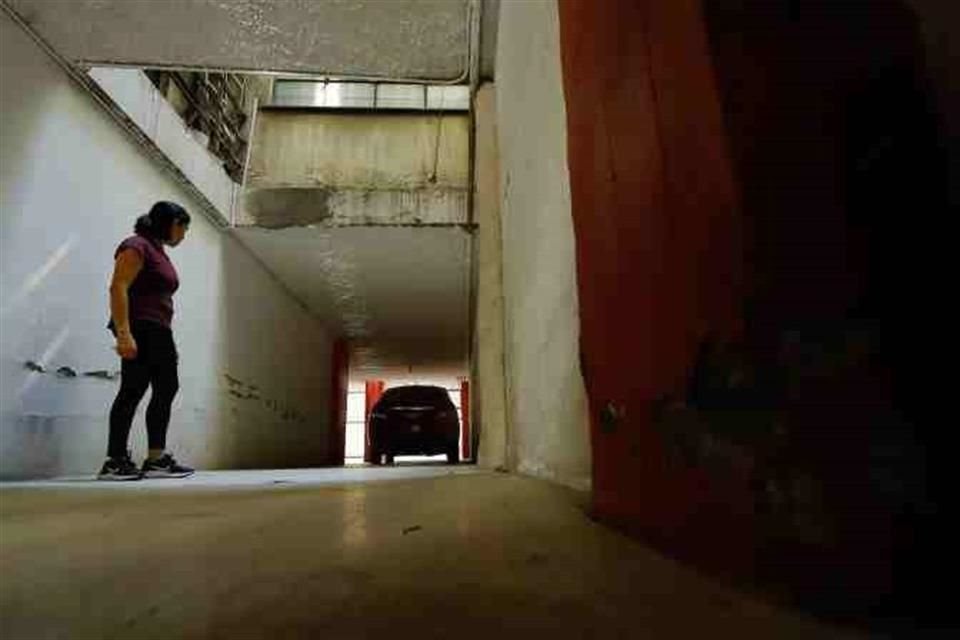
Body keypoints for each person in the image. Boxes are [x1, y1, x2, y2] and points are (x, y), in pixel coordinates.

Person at [98, 201, 195, 480]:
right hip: (140, 326)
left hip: (158, 329)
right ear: (172, 223)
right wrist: (124, 332)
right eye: (183, 228)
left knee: (166, 387)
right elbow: (118, 286)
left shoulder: (156, 250)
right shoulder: (136, 245)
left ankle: (156, 459)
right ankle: (115, 460)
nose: (184, 235)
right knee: (132, 390)